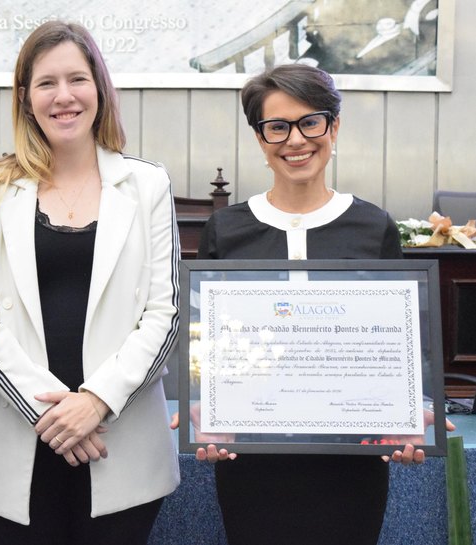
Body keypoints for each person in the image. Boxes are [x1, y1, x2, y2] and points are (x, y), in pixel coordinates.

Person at [177, 63, 452, 545]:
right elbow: (210, 343)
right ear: (260, 138)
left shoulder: (373, 226)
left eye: (311, 122)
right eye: (277, 127)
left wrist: (411, 412)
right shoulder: (227, 229)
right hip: (253, 460)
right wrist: (203, 408)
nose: (295, 140)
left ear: (334, 127)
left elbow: (396, 341)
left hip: (350, 461)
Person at [0, 20, 180, 545]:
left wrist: (95, 402)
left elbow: (165, 315)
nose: (64, 97)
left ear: (100, 88)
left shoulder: (147, 184)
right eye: (46, 83)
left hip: (117, 437)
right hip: (18, 438)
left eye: (77, 79)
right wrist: (56, 415)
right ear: (25, 97)